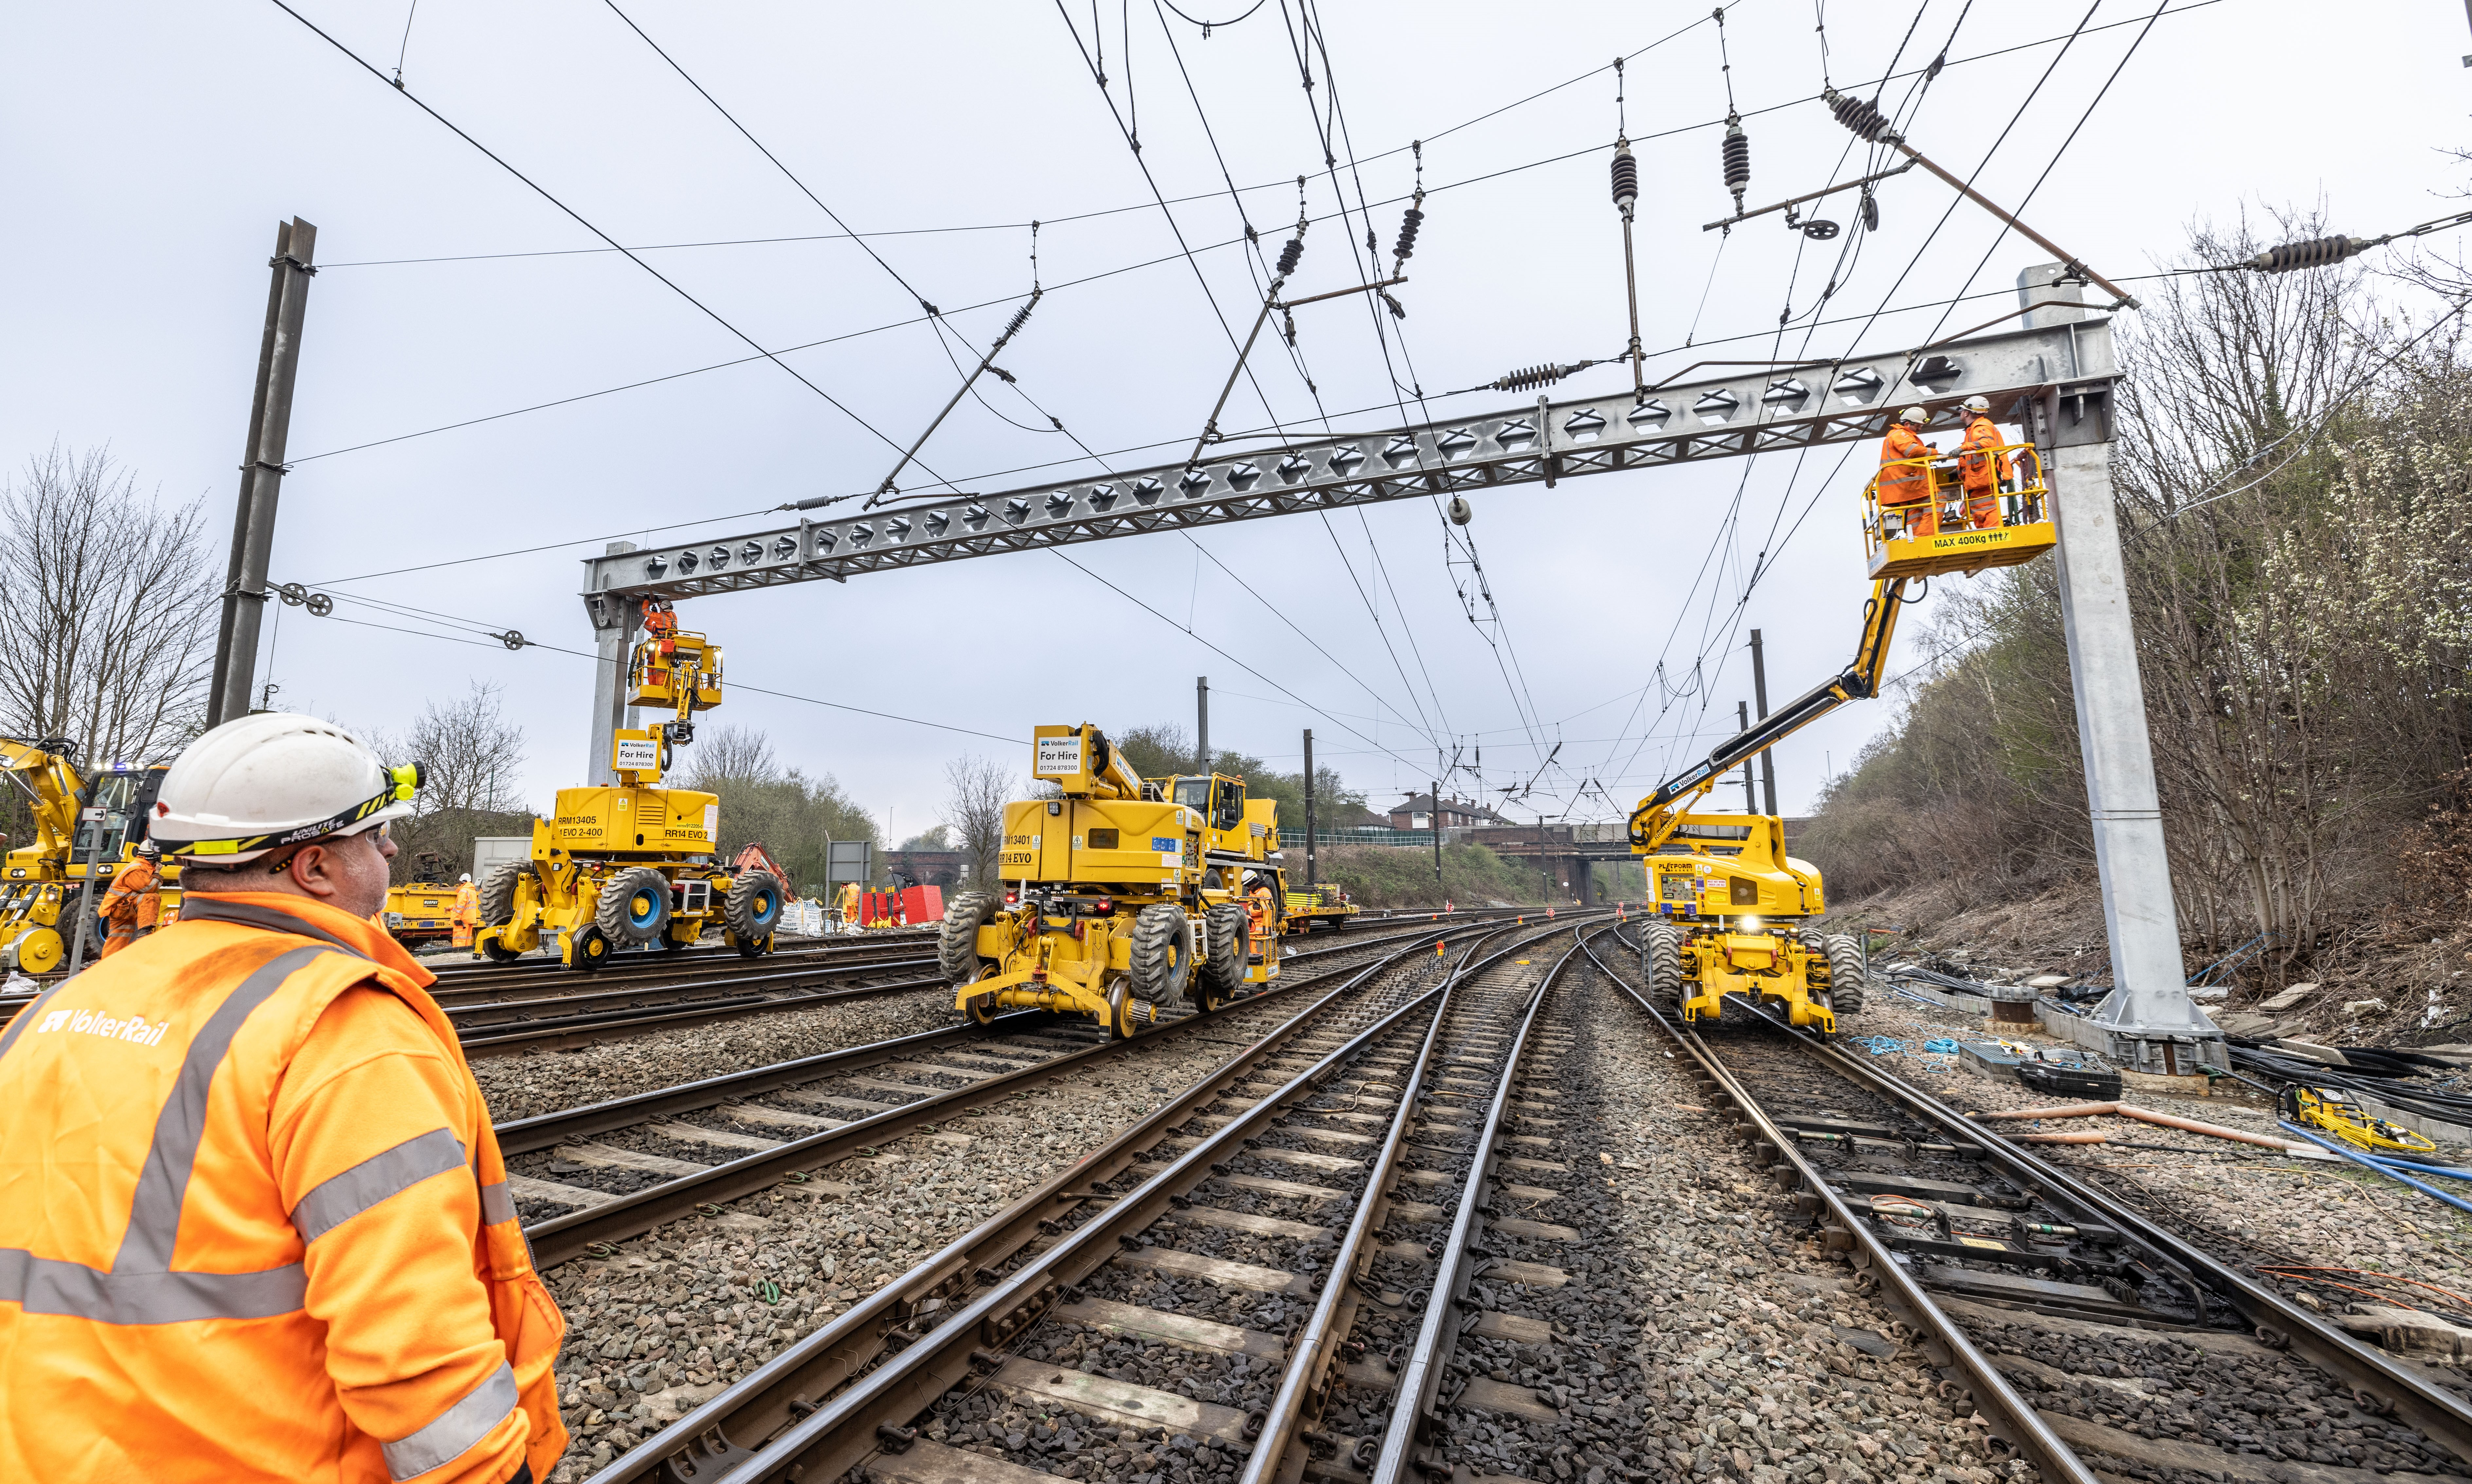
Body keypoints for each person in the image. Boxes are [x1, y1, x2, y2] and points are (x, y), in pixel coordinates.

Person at [0, 713, 566, 1483]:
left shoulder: (61, 1006)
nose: (393, 849)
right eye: (373, 835)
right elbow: (413, 1350)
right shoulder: (342, 1031)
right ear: (315, 867)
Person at [1877, 406, 1938, 539]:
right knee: (1938, 501)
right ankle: (1925, 538)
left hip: (1904, 486)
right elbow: (1912, 451)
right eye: (1918, 426)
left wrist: (1925, 451)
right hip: (1908, 483)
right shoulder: (1900, 434)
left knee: (1914, 512)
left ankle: (1916, 537)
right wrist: (1934, 454)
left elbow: (1909, 454)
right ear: (1907, 424)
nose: (1920, 428)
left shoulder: (1898, 435)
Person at [96, 839, 163, 959]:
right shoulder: (137, 869)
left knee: (118, 939)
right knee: (152, 898)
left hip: (123, 908)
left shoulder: (141, 866)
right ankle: (145, 932)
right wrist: (158, 873)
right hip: (122, 908)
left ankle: (109, 965)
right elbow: (149, 888)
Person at [1956, 395, 2013, 531]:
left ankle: (1994, 535)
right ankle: (1988, 533)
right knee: (1981, 511)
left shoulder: (1981, 427)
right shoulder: (1975, 428)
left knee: (1986, 511)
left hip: (1984, 478)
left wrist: (1962, 449)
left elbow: (1986, 443)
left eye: (1962, 411)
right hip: (1980, 478)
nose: (1961, 413)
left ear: (1967, 413)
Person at [451, 871, 479, 950]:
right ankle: (465, 952)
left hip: (463, 920)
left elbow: (460, 907)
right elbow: (466, 905)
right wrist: (450, 908)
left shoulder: (464, 891)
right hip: (470, 919)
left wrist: (457, 919)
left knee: (459, 938)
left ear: (461, 882)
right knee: (467, 938)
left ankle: (458, 952)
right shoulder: (472, 891)